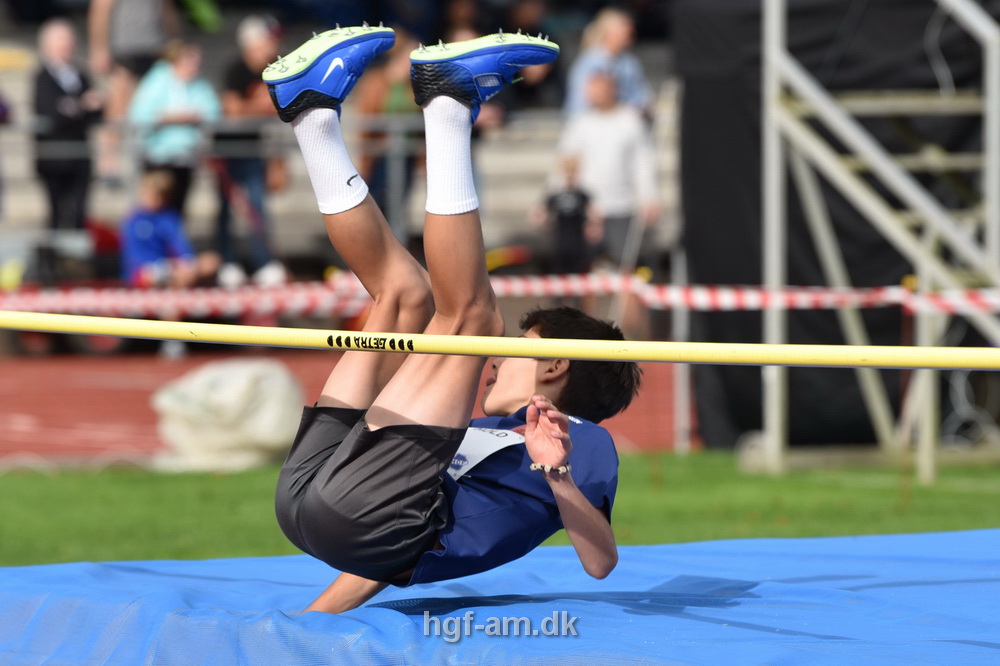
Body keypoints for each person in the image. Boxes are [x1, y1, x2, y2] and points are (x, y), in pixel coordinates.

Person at [264, 26, 641, 614]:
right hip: (321, 505)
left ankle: (449, 103)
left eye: (522, 344)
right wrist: (310, 623)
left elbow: (600, 561)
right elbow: (379, 546)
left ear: (555, 365)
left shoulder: (582, 441)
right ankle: (312, 114)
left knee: (472, 315)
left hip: (349, 513)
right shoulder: (482, 430)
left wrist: (557, 472)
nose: (495, 360)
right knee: (400, 295)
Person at [213, 15, 287, 288]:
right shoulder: (236, 70)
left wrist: (256, 107)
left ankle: (264, 262)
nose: (275, 44)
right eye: (269, 39)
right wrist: (260, 107)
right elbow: (233, 112)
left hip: (254, 149)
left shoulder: (271, 70)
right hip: (228, 150)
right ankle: (228, 262)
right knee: (227, 209)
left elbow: (275, 110)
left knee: (257, 207)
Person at [558, 71, 659, 273]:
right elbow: (566, 163)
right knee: (587, 271)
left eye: (597, 89)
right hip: (588, 211)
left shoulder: (630, 120)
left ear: (612, 89)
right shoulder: (580, 123)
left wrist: (650, 197)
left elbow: (642, 163)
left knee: (626, 270)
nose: (591, 94)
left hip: (622, 207)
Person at [88, 0, 180, 183]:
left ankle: (149, 159)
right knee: (119, 104)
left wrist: (174, 41)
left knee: (150, 106)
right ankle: (109, 162)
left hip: (154, 48)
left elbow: (166, 9)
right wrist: (99, 48)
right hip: (125, 47)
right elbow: (100, 9)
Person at [128, 40, 221, 217]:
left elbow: (213, 111)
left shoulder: (199, 84)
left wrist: (192, 116)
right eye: (191, 60)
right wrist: (172, 117)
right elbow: (140, 113)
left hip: (185, 157)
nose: (196, 65)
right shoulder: (157, 80)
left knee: (178, 209)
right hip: (159, 157)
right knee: (156, 206)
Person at [33, 18, 103, 230]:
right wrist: (82, 105)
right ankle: (55, 261)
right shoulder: (43, 77)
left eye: (69, 41)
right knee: (56, 213)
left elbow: (96, 112)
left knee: (79, 213)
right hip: (54, 157)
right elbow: (53, 113)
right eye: (61, 42)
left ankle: (77, 261)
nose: (67, 46)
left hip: (79, 154)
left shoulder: (80, 75)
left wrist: (78, 107)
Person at [119, 169, 220, 288]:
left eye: (158, 195)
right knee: (161, 276)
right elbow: (134, 257)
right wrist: (162, 267)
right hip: (146, 270)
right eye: (150, 194)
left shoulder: (169, 217)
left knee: (211, 261)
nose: (153, 199)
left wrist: (186, 264)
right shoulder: (133, 220)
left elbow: (181, 246)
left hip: (170, 266)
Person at [563, 7, 653, 119]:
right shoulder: (588, 63)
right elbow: (579, 105)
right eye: (623, 27)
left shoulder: (630, 63)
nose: (630, 31)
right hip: (591, 124)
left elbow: (641, 98)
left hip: (626, 123)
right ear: (608, 32)